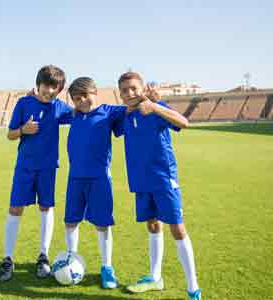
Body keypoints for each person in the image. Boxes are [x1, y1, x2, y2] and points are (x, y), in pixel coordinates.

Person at [117, 71, 201, 300]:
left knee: (177, 228)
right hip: (141, 182)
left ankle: (193, 288)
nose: (130, 93)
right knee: (153, 226)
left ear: (142, 89)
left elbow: (184, 122)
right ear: (121, 95)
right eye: (124, 90)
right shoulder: (124, 115)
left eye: (134, 88)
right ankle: (155, 277)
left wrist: (154, 106)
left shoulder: (155, 107)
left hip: (164, 180)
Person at [0, 65, 73, 281]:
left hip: (48, 168)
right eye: (47, 86)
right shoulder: (23, 104)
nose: (50, 91)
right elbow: (10, 135)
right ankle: (8, 258)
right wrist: (23, 130)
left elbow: (80, 113)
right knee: (15, 209)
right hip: (24, 167)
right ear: (38, 84)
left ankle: (43, 256)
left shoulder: (59, 107)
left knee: (46, 208)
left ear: (59, 90)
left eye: (55, 88)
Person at [64, 77, 125, 289]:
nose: (81, 101)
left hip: (99, 178)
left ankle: (107, 267)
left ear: (95, 93)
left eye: (85, 95)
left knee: (102, 223)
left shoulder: (109, 112)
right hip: (74, 178)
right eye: (76, 98)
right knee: (71, 221)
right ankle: (71, 260)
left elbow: (131, 109)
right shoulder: (73, 115)